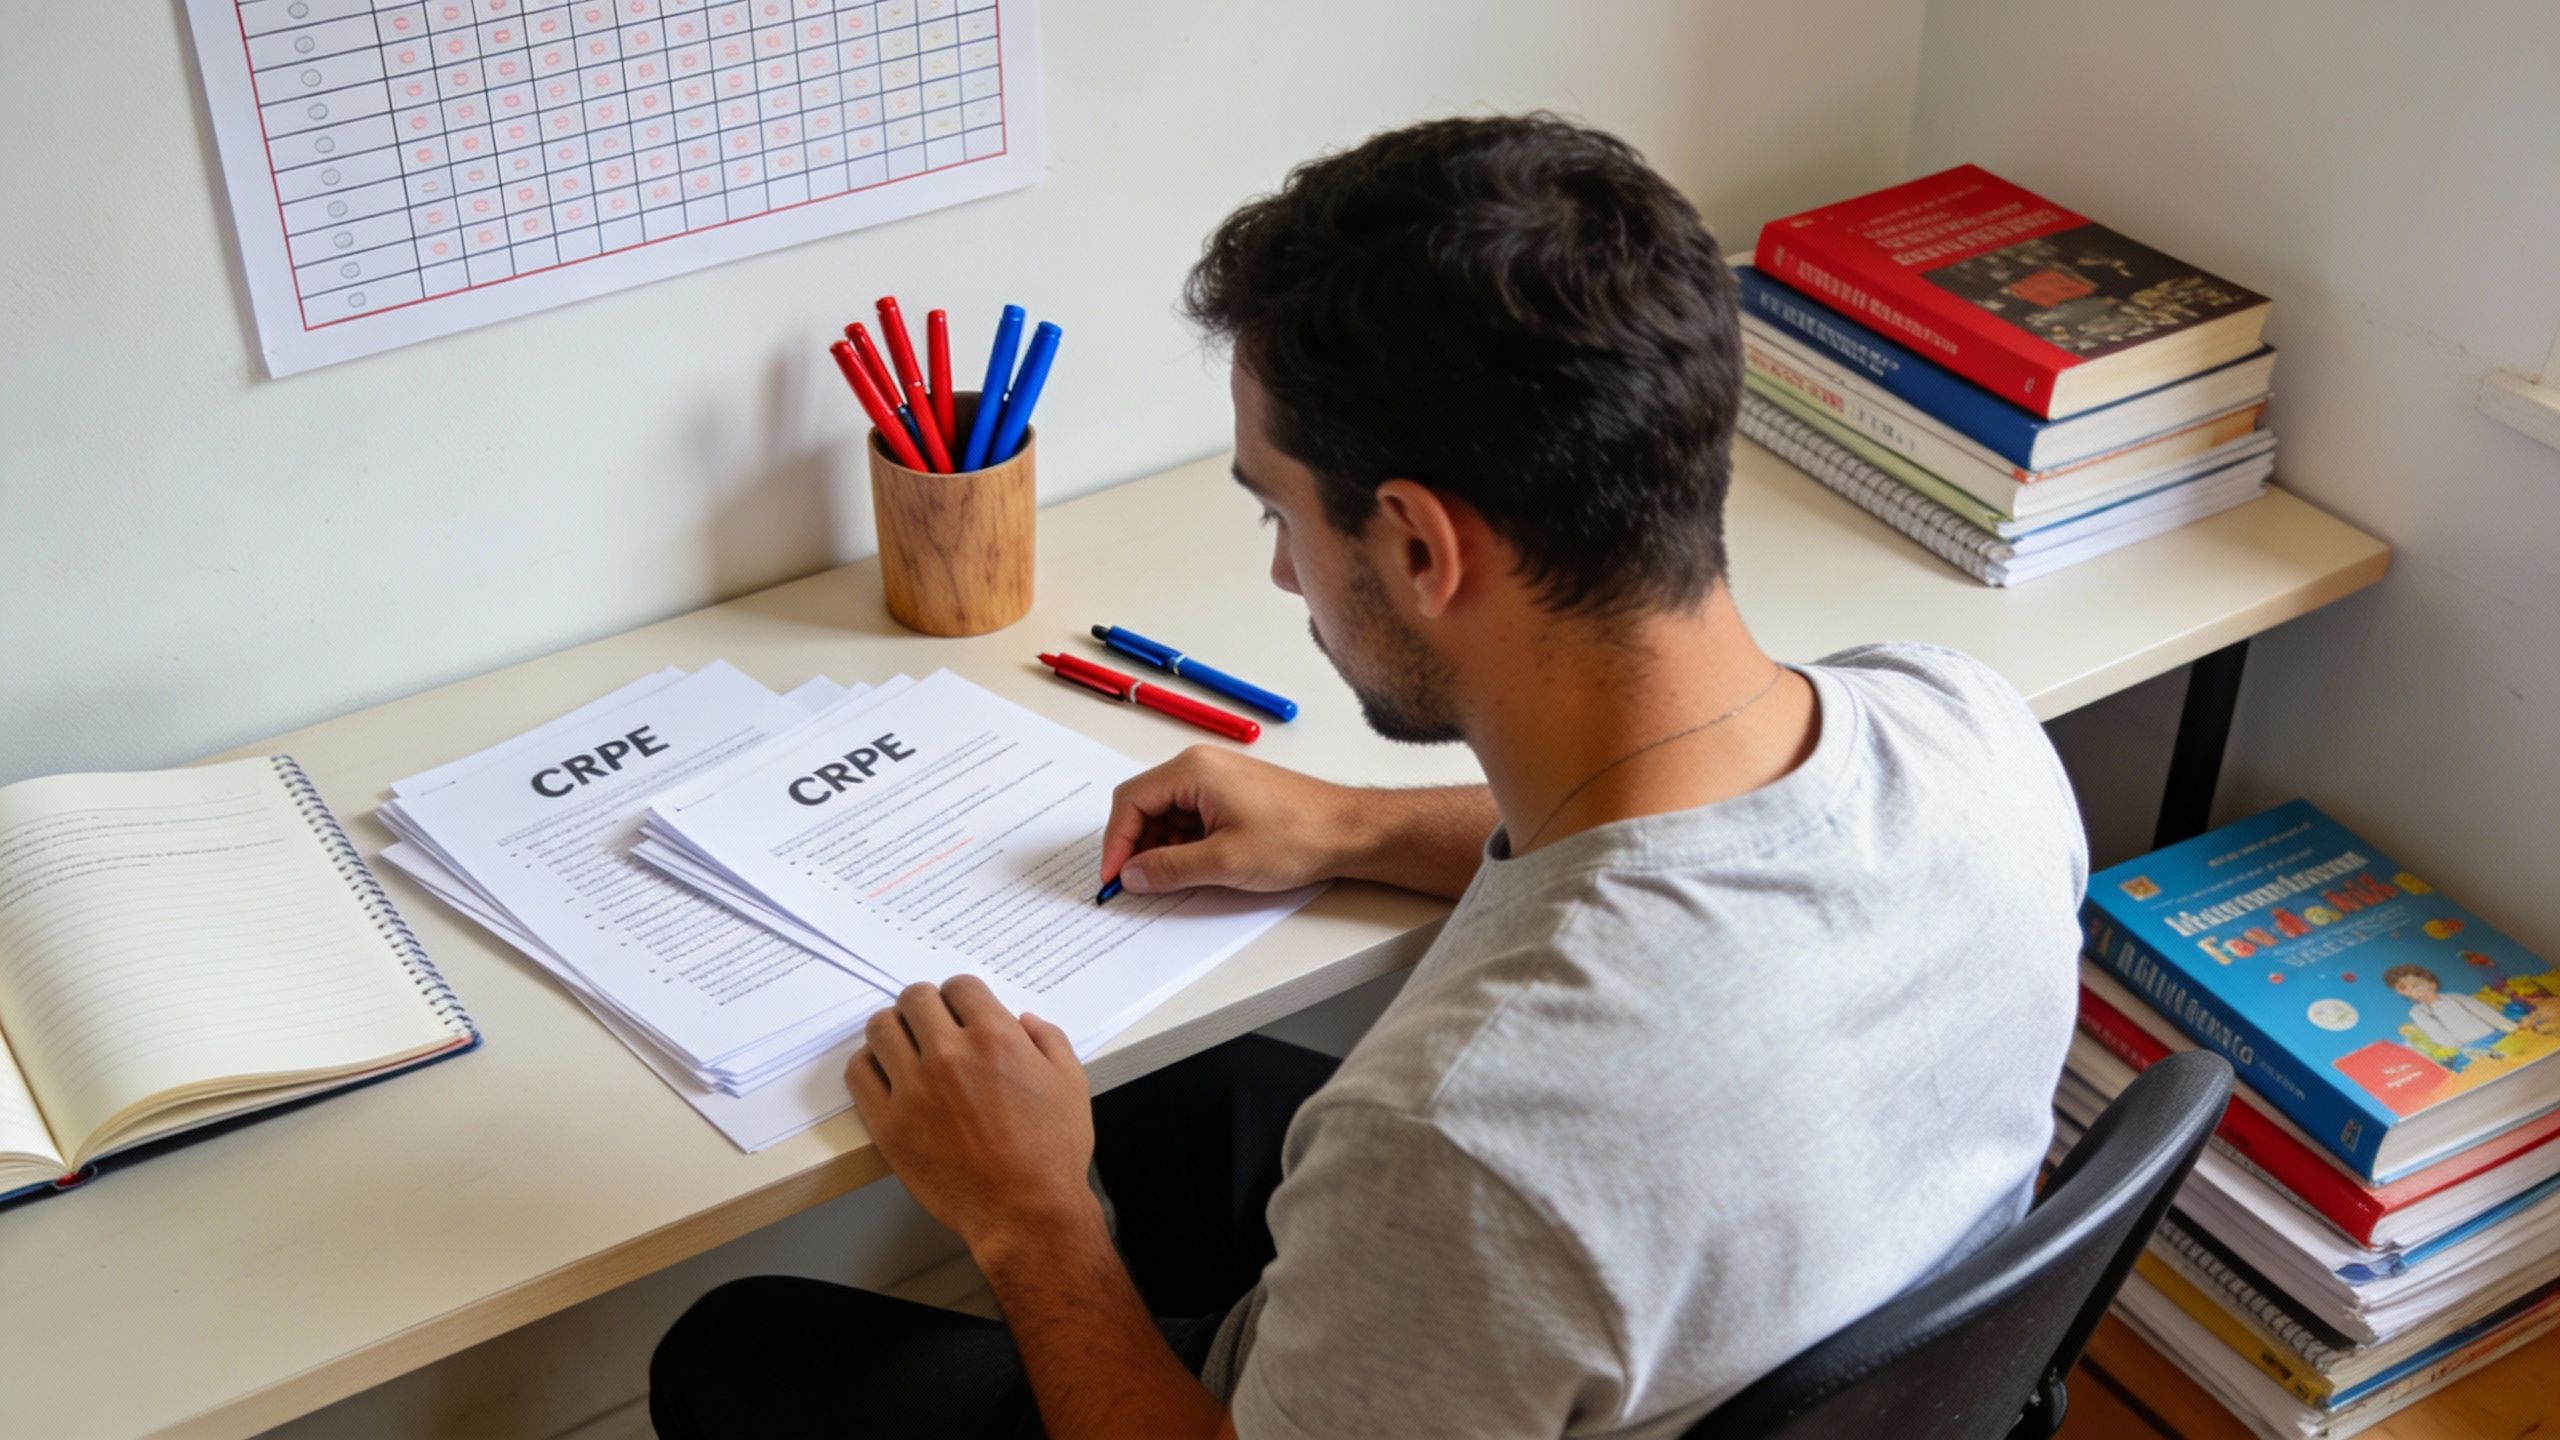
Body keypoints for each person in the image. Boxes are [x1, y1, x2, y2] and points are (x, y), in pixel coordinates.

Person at [650, 113, 2087, 1439]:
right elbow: (1693, 853)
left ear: (1415, 546)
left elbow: (1470, 1158)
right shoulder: (1968, 725)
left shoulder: (1462, 1140)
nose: (1281, 571)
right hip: (1754, 1316)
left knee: (734, 1350)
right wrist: (1348, 824)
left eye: (1278, 511)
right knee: (1174, 1085)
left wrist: (1031, 1224)